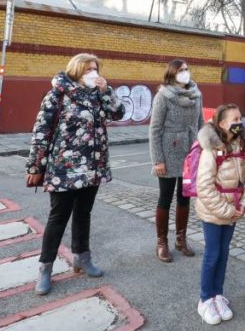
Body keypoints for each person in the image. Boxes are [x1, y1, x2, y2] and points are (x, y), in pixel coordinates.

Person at [26, 53, 125, 296]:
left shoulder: (97, 96)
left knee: (84, 214)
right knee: (58, 217)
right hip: (64, 169)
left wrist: (106, 91)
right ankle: (45, 269)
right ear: (76, 71)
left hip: (93, 167)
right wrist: (35, 167)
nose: (93, 72)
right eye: (88, 69)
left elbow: (118, 114)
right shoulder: (58, 94)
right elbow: (41, 131)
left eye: (96, 69)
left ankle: (82, 258)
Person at [195, 104, 245, 325]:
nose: (240, 122)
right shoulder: (210, 148)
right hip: (213, 212)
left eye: (241, 117)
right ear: (222, 124)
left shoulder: (241, 144)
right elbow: (204, 187)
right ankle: (204, 299)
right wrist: (228, 210)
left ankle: (217, 294)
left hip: (234, 209)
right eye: (235, 119)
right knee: (212, 254)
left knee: (224, 253)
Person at [148, 59, 204, 262]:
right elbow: (155, 129)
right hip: (169, 150)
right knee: (165, 196)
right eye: (181, 70)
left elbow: (200, 123)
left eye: (187, 69)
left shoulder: (197, 94)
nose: (185, 72)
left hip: (191, 150)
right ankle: (161, 241)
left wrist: (202, 148)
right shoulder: (163, 96)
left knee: (185, 196)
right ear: (172, 74)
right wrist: (158, 160)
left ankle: (181, 239)